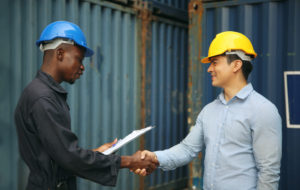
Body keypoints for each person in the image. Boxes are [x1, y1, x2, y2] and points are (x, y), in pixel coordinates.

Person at [14, 21, 157, 190]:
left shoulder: (45, 93)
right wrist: (130, 161)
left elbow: (59, 155)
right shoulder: (43, 98)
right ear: (60, 53)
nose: (82, 67)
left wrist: (97, 153)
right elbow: (69, 157)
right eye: (79, 59)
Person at [135, 31, 282, 190]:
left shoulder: (263, 110)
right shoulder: (209, 110)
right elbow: (187, 149)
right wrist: (156, 157)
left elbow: (269, 171)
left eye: (215, 62)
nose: (209, 69)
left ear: (236, 65)